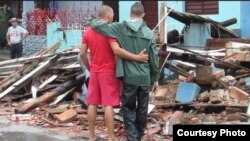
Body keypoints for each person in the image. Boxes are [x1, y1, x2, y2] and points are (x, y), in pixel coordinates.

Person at [89, 2, 159, 141]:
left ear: (129, 14)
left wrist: (91, 20)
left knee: (128, 108)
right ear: (143, 15)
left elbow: (100, 26)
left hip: (129, 77)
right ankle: (138, 136)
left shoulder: (120, 28)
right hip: (144, 77)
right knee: (143, 108)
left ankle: (132, 137)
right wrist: (154, 77)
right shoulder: (149, 33)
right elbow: (154, 59)